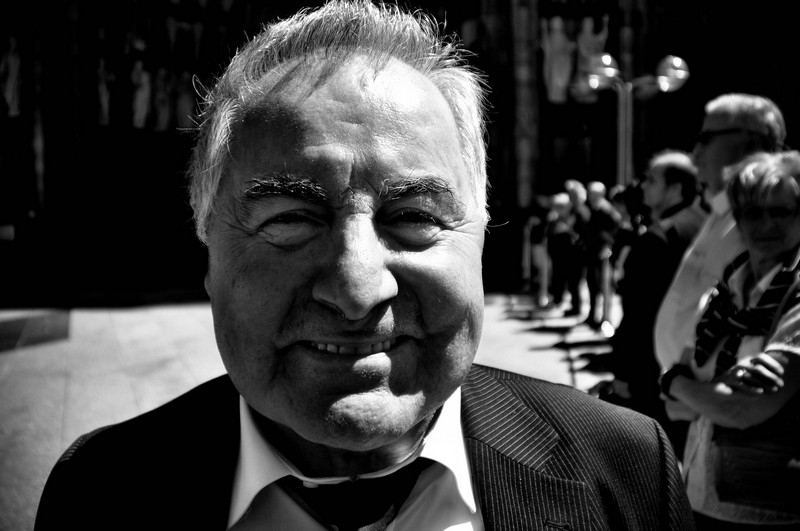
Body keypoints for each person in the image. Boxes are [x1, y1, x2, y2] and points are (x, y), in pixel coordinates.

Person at [34, 2, 694, 530]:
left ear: (481, 239)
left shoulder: (627, 469)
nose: (357, 289)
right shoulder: (101, 492)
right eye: (290, 220)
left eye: (413, 217)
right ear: (208, 251)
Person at [660, 151, 800, 528]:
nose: (766, 224)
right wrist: (688, 387)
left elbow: (742, 409)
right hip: (699, 497)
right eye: (752, 212)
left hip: (770, 510)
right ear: (737, 217)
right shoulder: (724, 294)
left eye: (781, 212)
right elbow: (676, 410)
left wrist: (677, 383)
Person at [655, 93, 787, 375]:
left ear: (750, 142)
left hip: (716, 391)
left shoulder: (767, 224)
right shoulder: (720, 209)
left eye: (706, 139)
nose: (695, 153)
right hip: (685, 389)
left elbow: (757, 329)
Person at [599, 150, 706, 456]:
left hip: (650, 369)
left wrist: (624, 370)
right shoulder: (703, 227)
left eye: (652, 180)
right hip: (686, 365)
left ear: (676, 188)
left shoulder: (661, 237)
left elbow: (639, 313)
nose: (643, 185)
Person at [578, 180, 622, 328]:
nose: (591, 196)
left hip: (603, 254)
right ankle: (592, 315)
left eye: (594, 194)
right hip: (591, 252)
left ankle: (605, 317)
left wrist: (608, 245)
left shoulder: (607, 210)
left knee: (604, 286)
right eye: (590, 193)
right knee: (591, 283)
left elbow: (614, 232)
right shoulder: (591, 209)